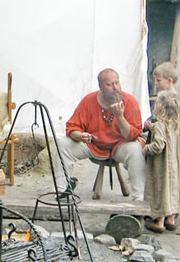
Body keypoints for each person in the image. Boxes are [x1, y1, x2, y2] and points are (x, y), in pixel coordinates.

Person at [54, 68, 147, 201]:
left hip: (119, 146)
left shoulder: (130, 102)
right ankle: (61, 192)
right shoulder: (89, 100)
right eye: (109, 84)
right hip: (93, 145)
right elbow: (72, 127)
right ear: (101, 87)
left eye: (117, 83)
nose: (115, 88)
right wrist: (80, 136)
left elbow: (132, 135)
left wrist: (119, 117)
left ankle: (138, 199)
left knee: (135, 149)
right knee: (63, 144)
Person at [142, 90, 180, 233]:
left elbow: (158, 145)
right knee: (174, 190)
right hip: (176, 164)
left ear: (160, 107)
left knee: (162, 190)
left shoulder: (160, 126)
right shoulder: (179, 126)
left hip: (163, 166)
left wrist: (144, 148)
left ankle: (159, 222)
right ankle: (171, 219)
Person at [144, 61, 179, 134]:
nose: (156, 83)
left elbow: (170, 122)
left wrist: (154, 126)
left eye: (158, 80)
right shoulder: (162, 96)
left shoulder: (171, 99)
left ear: (169, 80)